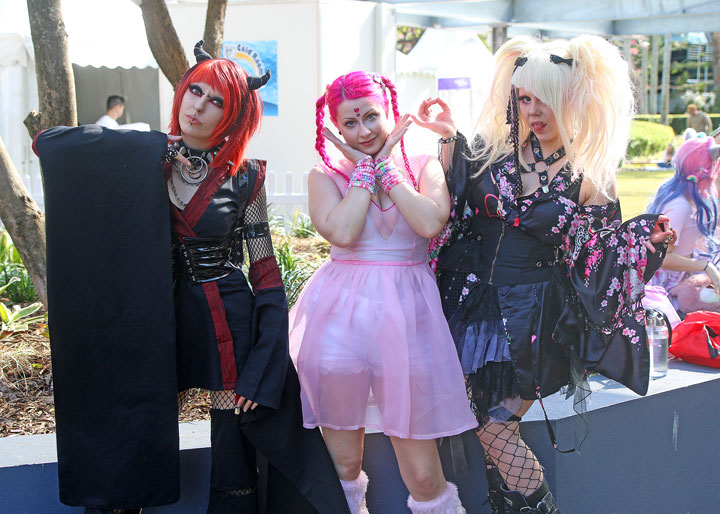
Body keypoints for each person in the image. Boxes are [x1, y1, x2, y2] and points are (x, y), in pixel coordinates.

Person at [34, 41, 349, 514]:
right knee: (131, 423)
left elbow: (264, 272)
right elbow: (49, 143)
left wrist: (264, 366)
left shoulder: (246, 179)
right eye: (194, 91)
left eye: (216, 100)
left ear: (235, 114)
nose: (198, 106)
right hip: (148, 317)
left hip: (224, 320)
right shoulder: (142, 160)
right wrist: (156, 149)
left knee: (233, 449)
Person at [414, 35, 673, 514]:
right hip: (468, 306)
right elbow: (451, 209)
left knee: (495, 430)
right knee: (482, 428)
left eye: (545, 99)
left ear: (571, 100)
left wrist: (648, 245)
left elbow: (601, 254)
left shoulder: (590, 174)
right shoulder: (491, 152)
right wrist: (448, 134)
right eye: (525, 98)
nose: (534, 111)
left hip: (533, 320)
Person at [289, 71, 477, 513]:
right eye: (349, 123)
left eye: (371, 116)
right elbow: (343, 230)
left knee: (425, 473)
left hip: (409, 320)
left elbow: (430, 223)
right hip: (339, 322)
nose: (364, 131)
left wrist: (387, 169)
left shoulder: (422, 164)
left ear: (389, 111)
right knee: (344, 463)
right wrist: (363, 172)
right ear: (336, 128)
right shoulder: (324, 175)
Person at [647, 136, 720, 314]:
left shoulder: (685, 198)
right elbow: (662, 256)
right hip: (671, 290)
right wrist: (705, 267)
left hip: (684, 280)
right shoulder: (680, 206)